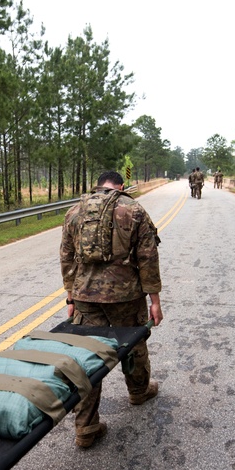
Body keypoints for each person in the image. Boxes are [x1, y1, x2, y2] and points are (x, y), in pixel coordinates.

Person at [60, 171, 164, 448]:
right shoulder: (134, 209)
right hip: (126, 296)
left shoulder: (74, 211)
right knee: (134, 343)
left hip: (85, 296)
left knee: (87, 359)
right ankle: (139, 391)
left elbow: (66, 257)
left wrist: (71, 297)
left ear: (98, 185)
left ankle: (86, 428)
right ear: (120, 186)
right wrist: (154, 301)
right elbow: (147, 258)